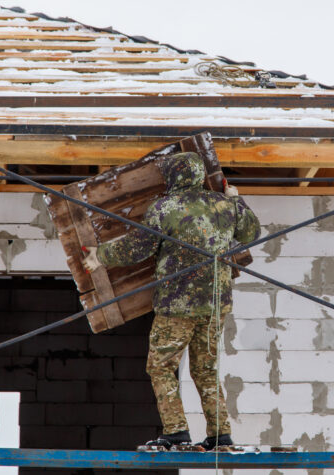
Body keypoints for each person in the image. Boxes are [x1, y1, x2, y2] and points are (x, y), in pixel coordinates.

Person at [82, 151, 260, 450]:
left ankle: (176, 430)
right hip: (217, 303)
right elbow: (250, 233)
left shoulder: (165, 208)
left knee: (161, 365)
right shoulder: (225, 205)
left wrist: (99, 256)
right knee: (206, 369)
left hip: (178, 304)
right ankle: (220, 434)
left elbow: (138, 248)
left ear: (174, 176)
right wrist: (235, 199)